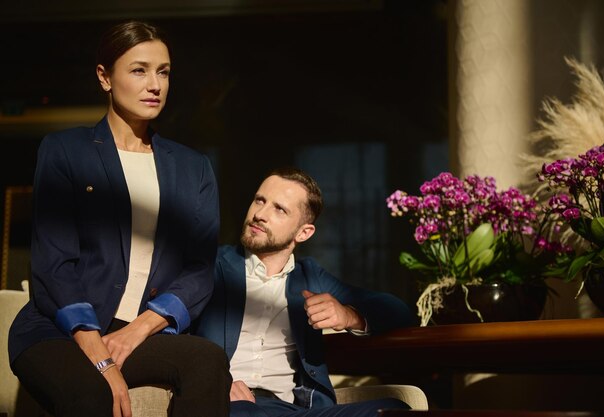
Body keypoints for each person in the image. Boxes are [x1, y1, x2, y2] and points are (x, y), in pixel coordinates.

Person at [8, 21, 230, 417]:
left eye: (163, 72)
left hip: (138, 330)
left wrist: (138, 330)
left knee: (207, 360)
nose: (155, 84)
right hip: (57, 332)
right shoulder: (65, 151)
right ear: (104, 77)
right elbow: (53, 264)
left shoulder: (194, 168)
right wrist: (102, 358)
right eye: (139, 70)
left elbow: (199, 270)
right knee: (92, 393)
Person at [194, 167, 416, 417]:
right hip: (228, 405)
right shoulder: (212, 265)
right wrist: (215, 385)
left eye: (279, 209)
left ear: (304, 232)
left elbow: (398, 311)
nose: (260, 214)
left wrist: (349, 315)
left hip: (293, 411)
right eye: (260, 200)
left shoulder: (309, 277)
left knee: (395, 411)